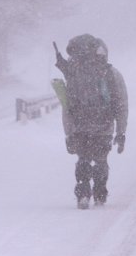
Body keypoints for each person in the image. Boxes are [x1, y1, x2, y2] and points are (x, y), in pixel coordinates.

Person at [54, 34, 128, 209]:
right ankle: (100, 194)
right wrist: (121, 131)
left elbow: (67, 106)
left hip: (80, 125)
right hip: (104, 125)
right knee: (101, 159)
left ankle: (83, 194)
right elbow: (121, 104)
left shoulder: (73, 72)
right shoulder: (111, 73)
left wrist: (69, 133)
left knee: (83, 159)